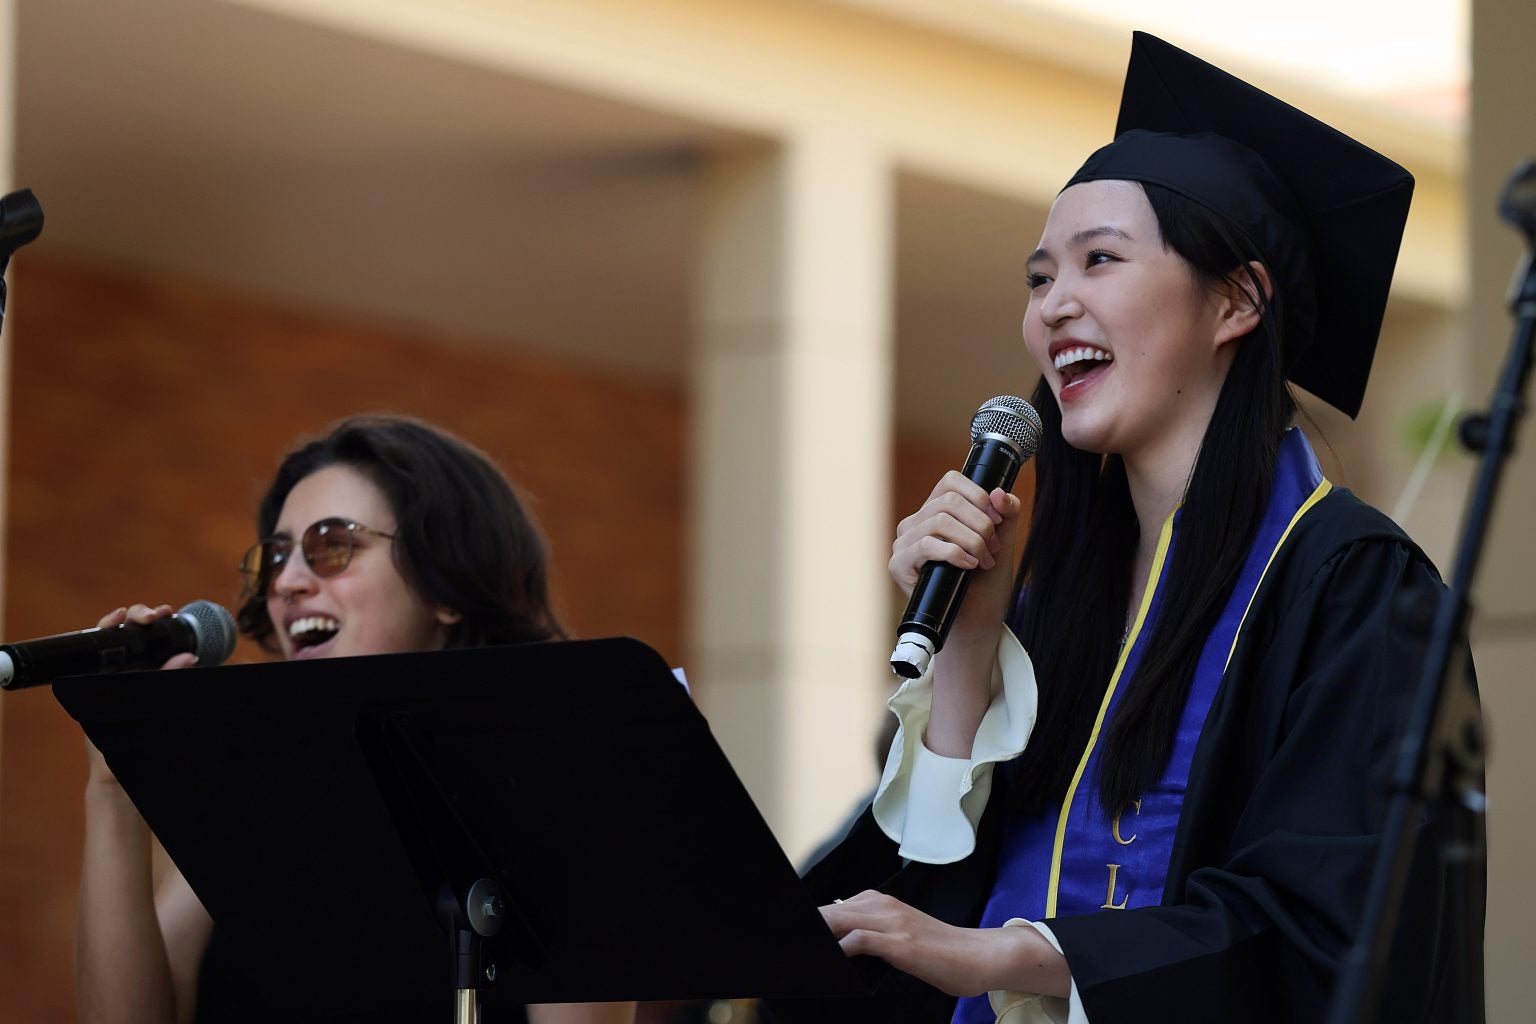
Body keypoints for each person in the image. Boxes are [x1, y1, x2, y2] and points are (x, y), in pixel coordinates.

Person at [769, 33, 1481, 1024]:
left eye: (1099, 261)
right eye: (1038, 278)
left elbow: (1329, 929)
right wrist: (971, 643)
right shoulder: (1061, 595)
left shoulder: (1352, 585)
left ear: (1237, 299)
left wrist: (1013, 956)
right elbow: (924, 893)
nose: (1054, 306)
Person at [75, 414, 635, 1024]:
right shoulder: (253, 798)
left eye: (332, 545)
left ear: (446, 585)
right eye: (277, 556)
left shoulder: (546, 804)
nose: (287, 582)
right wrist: (112, 789)